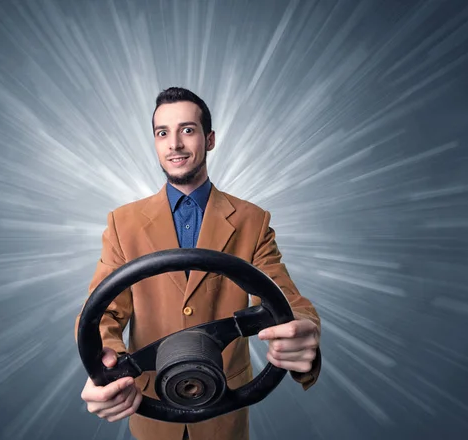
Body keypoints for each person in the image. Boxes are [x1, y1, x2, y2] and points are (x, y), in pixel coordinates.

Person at [75, 87, 321, 440]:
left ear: (210, 139)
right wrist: (107, 367)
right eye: (163, 133)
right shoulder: (122, 223)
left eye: (187, 130)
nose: (174, 144)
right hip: (149, 409)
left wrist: (303, 331)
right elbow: (101, 313)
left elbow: (288, 300)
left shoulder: (253, 220)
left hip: (225, 411)